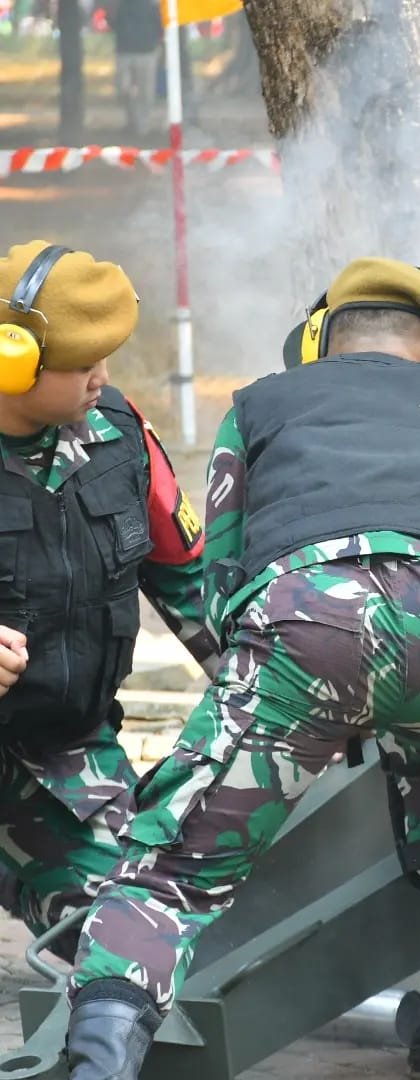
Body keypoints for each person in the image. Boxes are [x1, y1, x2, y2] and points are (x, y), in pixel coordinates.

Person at [62, 257, 420, 1080]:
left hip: (310, 626)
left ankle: (98, 1065)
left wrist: (286, 702)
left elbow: (220, 571)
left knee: (174, 868)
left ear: (314, 342)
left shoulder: (261, 404)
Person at [0, 239, 215, 961]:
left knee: (135, 929)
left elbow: (190, 584)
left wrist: (276, 700)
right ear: (12, 360)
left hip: (60, 748)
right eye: (82, 364)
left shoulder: (118, 437)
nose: (102, 378)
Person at [108, 0, 161, 139]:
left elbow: (160, 24)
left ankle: (142, 127)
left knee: (145, 92)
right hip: (125, 50)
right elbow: (112, 21)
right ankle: (132, 121)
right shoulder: (121, 4)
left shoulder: (152, 4)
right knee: (123, 89)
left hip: (146, 51)